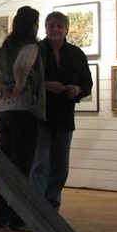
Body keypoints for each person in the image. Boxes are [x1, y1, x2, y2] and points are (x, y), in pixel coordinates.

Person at [0, 6, 45, 231]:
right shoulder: (31, 46)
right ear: (33, 24)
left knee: (5, 165)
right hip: (23, 111)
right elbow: (22, 66)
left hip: (4, 113)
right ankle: (17, 217)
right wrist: (19, 88)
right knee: (21, 168)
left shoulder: (6, 48)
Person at [29, 12, 93, 210]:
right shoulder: (36, 51)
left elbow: (87, 83)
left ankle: (52, 203)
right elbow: (25, 80)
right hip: (41, 115)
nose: (55, 29)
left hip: (64, 116)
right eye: (51, 26)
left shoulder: (76, 54)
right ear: (45, 28)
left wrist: (77, 90)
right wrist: (45, 85)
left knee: (60, 165)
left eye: (59, 26)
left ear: (66, 30)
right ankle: (38, 206)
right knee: (39, 164)